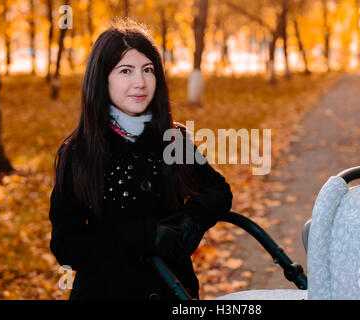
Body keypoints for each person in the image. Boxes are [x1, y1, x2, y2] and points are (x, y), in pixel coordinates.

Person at [48, 18, 233, 300]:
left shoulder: (174, 138)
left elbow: (219, 190)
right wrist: (143, 237)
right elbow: (66, 245)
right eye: (126, 71)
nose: (140, 82)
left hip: (175, 291)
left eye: (148, 70)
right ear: (102, 80)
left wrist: (190, 219)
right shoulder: (79, 152)